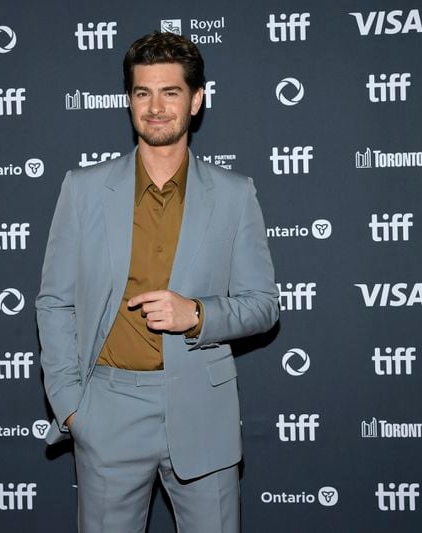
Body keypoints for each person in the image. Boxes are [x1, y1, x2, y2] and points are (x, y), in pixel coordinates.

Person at [36, 31, 278, 533]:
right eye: (143, 92)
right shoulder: (82, 192)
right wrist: (72, 407)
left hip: (203, 410)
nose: (156, 106)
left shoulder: (235, 196)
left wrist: (198, 314)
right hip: (108, 411)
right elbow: (55, 302)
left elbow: (263, 305)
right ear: (129, 101)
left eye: (171, 91)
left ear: (197, 100)